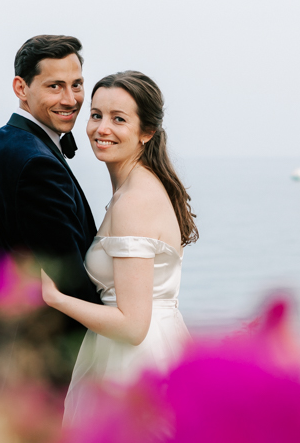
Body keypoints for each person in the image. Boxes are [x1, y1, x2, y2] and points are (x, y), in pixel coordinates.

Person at [40, 70, 198, 424]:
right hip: (146, 348)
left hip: (135, 361)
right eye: (96, 115)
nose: (102, 128)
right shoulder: (135, 189)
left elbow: (132, 326)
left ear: (147, 132)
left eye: (118, 119)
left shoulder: (134, 201)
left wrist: (55, 298)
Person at [0, 35, 101, 411]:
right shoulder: (36, 163)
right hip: (33, 372)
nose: (70, 99)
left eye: (77, 84)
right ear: (21, 88)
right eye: (54, 86)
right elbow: (68, 281)